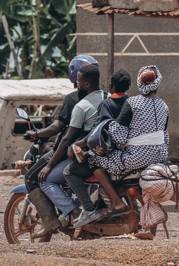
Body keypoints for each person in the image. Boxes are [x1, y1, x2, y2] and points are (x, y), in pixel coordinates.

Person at [70, 65, 169, 227]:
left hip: (135, 158)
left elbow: (118, 136)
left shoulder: (133, 102)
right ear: (157, 85)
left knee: (94, 159)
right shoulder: (164, 105)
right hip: (160, 156)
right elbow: (165, 135)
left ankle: (115, 201)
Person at [24, 55, 100, 238]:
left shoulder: (73, 99)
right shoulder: (101, 97)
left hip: (66, 151)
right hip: (89, 150)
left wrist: (36, 134)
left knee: (32, 178)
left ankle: (53, 219)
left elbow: (58, 128)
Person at [38, 64, 107, 231]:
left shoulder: (82, 106)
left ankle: (76, 213)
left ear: (87, 84)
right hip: (108, 155)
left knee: (46, 180)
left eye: (78, 81)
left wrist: (49, 165)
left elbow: (67, 137)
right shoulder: (109, 98)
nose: (77, 85)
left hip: (88, 158)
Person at [63, 69, 132, 227]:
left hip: (111, 153)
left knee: (72, 170)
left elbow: (98, 133)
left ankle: (93, 208)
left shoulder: (106, 104)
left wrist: (76, 144)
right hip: (129, 152)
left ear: (111, 85)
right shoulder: (131, 102)